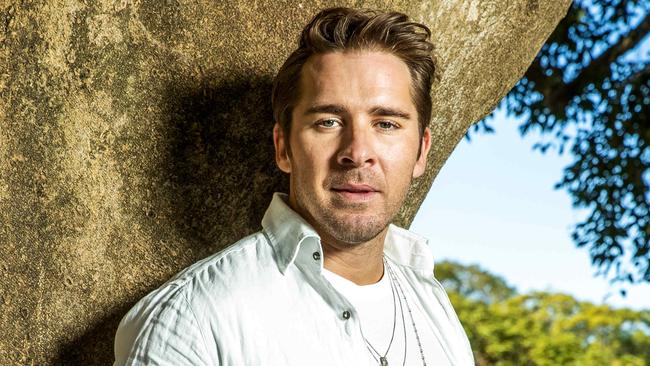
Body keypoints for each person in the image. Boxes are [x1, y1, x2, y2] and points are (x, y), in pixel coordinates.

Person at [114, 7, 474, 366]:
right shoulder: (193, 320)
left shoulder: (434, 308)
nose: (358, 153)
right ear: (283, 147)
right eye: (329, 122)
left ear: (421, 151)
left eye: (387, 124)